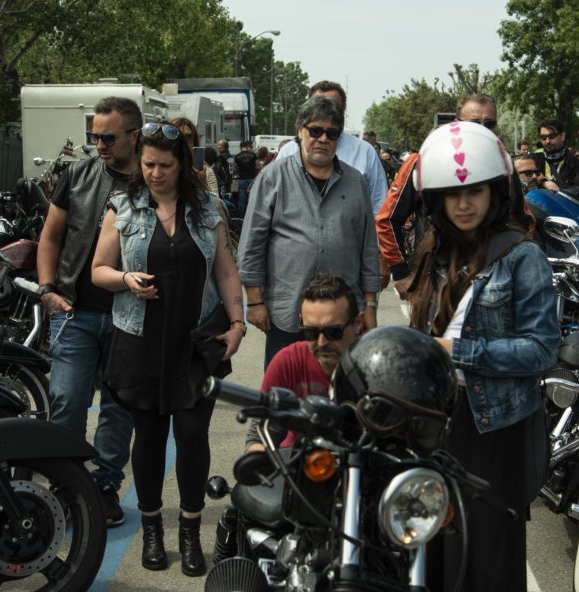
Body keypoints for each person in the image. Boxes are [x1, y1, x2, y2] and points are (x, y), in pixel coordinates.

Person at [408, 121, 559, 592]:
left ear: (495, 192)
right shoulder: (433, 252)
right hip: (437, 421)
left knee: (490, 557)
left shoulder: (522, 257)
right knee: (433, 549)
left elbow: (542, 350)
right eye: (452, 194)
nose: (464, 204)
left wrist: (459, 351)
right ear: (436, 200)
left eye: (474, 191)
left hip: (494, 427)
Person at [91, 121, 244, 576]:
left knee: (193, 437)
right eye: (148, 165)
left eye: (165, 166)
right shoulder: (122, 207)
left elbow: (226, 272)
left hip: (196, 342)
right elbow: (98, 269)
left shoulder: (209, 208)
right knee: (150, 439)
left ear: (182, 165)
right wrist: (125, 279)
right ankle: (153, 530)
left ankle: (191, 533)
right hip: (140, 341)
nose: (155, 173)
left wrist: (238, 323)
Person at [36, 96, 137, 527]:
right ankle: (67, 486)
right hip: (74, 310)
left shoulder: (153, 178)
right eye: (94, 136)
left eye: (108, 137)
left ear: (134, 135)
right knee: (66, 401)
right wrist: (47, 290)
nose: (99, 144)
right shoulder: (78, 174)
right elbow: (50, 237)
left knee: (119, 408)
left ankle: (105, 487)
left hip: (128, 315)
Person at [238, 95, 380, 369]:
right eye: (315, 130)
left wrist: (371, 305)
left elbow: (368, 248)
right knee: (286, 386)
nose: (323, 139)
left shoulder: (355, 182)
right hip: (287, 313)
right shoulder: (272, 177)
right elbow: (252, 244)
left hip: (342, 318)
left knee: (344, 388)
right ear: (300, 131)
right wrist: (254, 302)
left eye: (332, 133)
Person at [376, 93, 535, 300]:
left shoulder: (504, 165)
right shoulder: (424, 161)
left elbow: (522, 220)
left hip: (495, 282)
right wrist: (401, 273)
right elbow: (387, 219)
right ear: (456, 123)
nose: (482, 130)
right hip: (435, 282)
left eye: (489, 124)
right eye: (474, 123)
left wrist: (522, 264)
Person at [244, 272, 365, 452]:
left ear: (358, 324)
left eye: (333, 332)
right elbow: (259, 435)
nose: (321, 342)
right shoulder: (287, 361)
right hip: (299, 461)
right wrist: (257, 458)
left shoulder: (376, 366)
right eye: (311, 333)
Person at [276, 81, 388, 214]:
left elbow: (379, 205)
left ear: (343, 109)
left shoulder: (365, 152)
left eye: (333, 104)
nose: (326, 109)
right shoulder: (287, 152)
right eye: (319, 103)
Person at [531, 119, 579, 192]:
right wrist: (540, 182)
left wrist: (549, 184)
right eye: (543, 137)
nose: (547, 141)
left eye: (552, 136)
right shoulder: (532, 160)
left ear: (562, 136)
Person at [171, 117, 218, 196]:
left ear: (194, 142)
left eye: (188, 137)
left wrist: (202, 184)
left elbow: (216, 203)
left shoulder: (205, 172)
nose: (184, 142)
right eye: (179, 137)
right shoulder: (162, 170)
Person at [233, 140, 258, 216]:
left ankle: (241, 215)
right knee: (252, 197)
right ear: (247, 147)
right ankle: (252, 213)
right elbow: (258, 166)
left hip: (242, 178)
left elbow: (235, 169)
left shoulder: (237, 156)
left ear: (240, 147)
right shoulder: (253, 155)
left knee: (241, 197)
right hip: (252, 178)